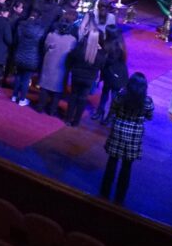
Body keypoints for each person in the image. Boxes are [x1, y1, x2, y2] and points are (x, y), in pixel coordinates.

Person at [100, 73, 154, 203]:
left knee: (112, 162)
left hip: (118, 131)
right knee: (127, 167)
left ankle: (104, 193)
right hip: (134, 136)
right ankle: (120, 197)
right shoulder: (147, 102)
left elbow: (113, 110)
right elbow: (149, 117)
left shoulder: (120, 96)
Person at [65, 29, 106, 126]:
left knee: (73, 97)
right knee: (82, 99)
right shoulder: (101, 54)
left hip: (76, 76)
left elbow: (70, 57)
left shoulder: (80, 49)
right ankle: (76, 121)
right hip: (89, 80)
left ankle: (68, 119)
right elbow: (102, 66)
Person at [37, 21, 76, 116]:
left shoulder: (51, 35)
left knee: (45, 86)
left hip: (49, 63)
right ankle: (52, 110)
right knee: (57, 89)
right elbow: (72, 54)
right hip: (62, 66)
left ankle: (40, 107)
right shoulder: (73, 40)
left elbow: (45, 47)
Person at [94, 25, 128, 123]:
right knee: (105, 94)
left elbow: (110, 61)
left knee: (113, 97)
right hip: (109, 74)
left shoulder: (117, 47)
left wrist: (100, 53)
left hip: (115, 76)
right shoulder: (116, 43)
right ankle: (101, 111)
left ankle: (110, 116)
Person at [12, 9, 46, 106]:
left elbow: (16, 40)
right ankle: (22, 99)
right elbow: (41, 46)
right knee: (26, 79)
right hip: (32, 58)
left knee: (18, 76)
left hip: (19, 55)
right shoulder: (41, 29)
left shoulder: (21, 26)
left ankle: (14, 96)